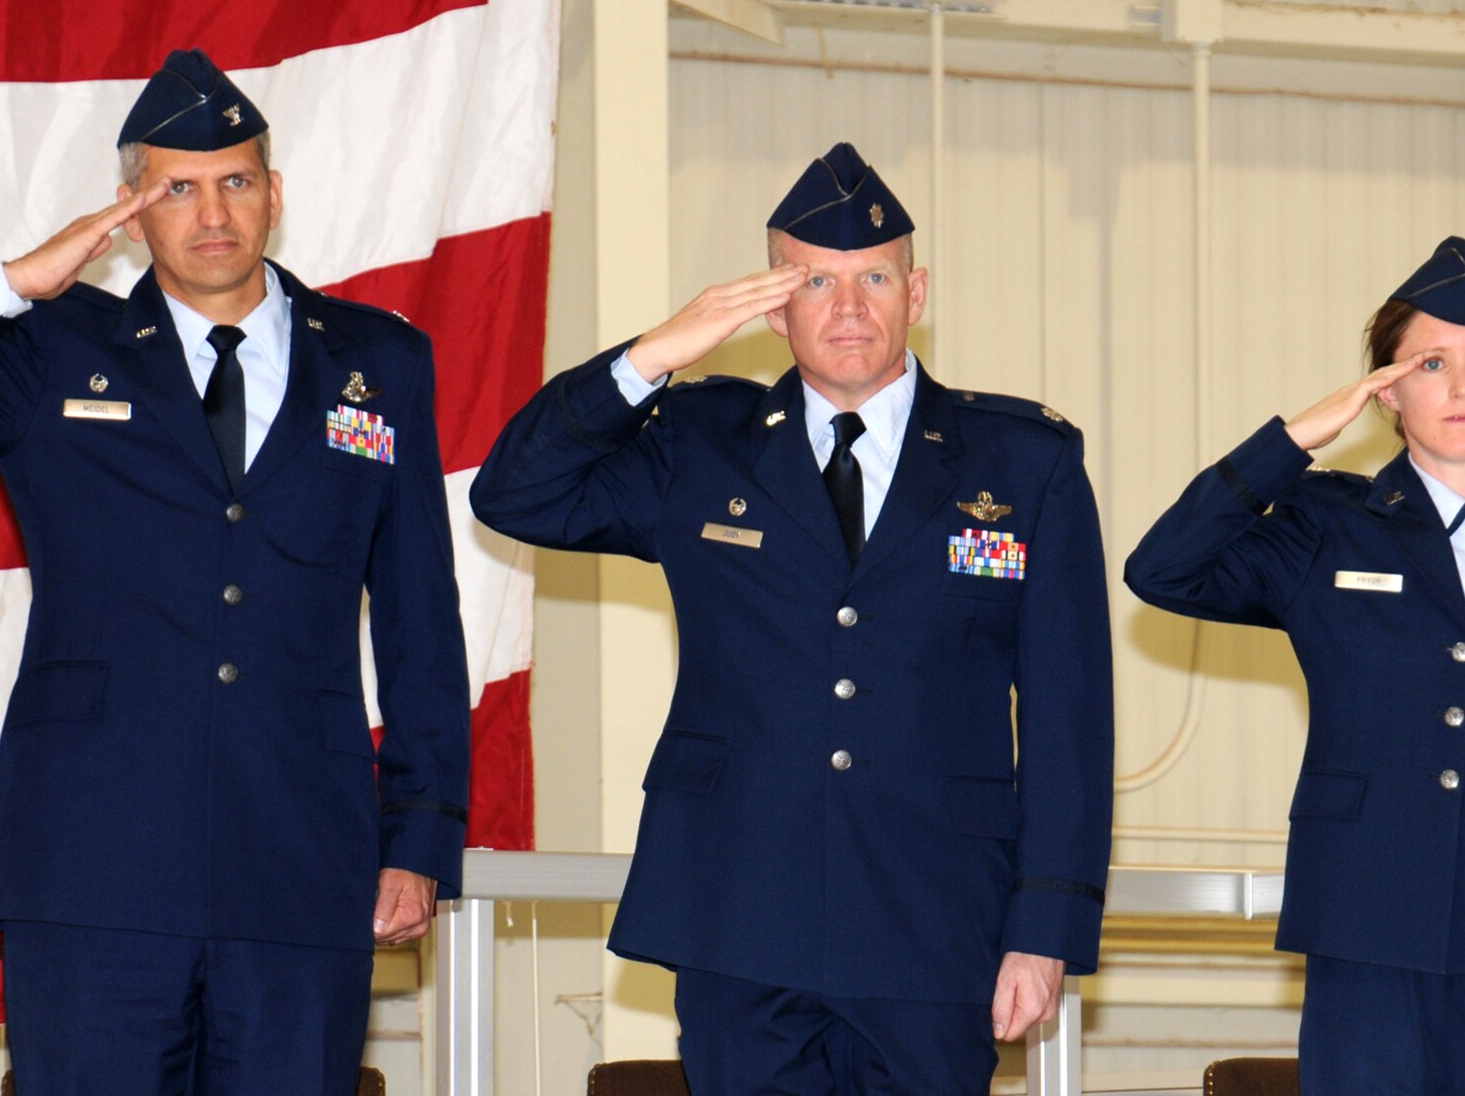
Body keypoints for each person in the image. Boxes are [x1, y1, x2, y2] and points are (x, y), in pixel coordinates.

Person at [0, 49, 471, 1095]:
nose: (212, 211)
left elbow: (420, 612)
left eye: (235, 180)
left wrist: (419, 836)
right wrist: (10, 284)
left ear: (274, 195)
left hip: (300, 865)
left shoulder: (377, 360)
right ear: (130, 211)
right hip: (93, 867)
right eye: (175, 188)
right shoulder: (56, 349)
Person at [471, 143, 1114, 1092]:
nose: (848, 308)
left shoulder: (1023, 464)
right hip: (741, 911)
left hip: (936, 921)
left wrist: (1045, 931)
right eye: (815, 281)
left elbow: (1069, 718)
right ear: (774, 306)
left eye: (874, 278)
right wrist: (654, 353)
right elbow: (515, 492)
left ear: (917, 290)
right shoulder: (699, 445)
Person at [1124, 236, 1465, 1094]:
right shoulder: (1325, 527)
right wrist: (1295, 437)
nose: (1460, 386)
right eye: (1430, 362)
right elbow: (1161, 568)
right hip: (1370, 943)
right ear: (1386, 391)